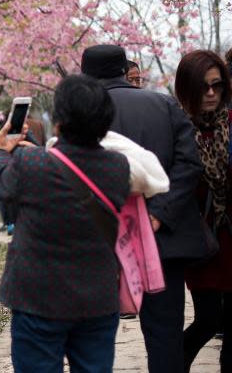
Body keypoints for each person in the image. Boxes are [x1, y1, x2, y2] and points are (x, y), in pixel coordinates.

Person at [0, 74, 131, 372]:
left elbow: (0, 184)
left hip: (37, 300)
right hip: (97, 300)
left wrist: (1, 150)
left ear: (59, 122)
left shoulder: (33, 164)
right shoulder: (118, 167)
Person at [81, 44, 205, 373]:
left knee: (89, 337)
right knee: (165, 336)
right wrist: (159, 213)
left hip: (99, 245)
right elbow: (190, 165)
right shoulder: (163, 104)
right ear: (125, 70)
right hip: (161, 241)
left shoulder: (80, 113)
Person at [174, 50, 232, 372]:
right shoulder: (178, 129)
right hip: (201, 241)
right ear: (187, 89)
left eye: (217, 86)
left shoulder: (231, 123)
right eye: (204, 87)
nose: (211, 94)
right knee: (208, 319)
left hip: (230, 236)